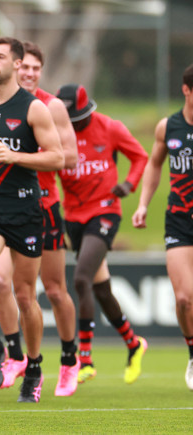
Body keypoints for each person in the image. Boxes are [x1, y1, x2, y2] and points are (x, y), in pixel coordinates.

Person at [0, 37, 64, 403]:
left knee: (25, 296)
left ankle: (34, 367)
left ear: (17, 65)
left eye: (0, 57)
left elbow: (58, 158)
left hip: (25, 210)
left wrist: (17, 157)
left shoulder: (34, 108)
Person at [0, 41, 80, 397]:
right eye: (25, 68)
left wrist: (19, 154)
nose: (29, 74)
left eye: (35, 70)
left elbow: (68, 156)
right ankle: (15, 355)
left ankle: (70, 362)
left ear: (39, 72)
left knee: (54, 290)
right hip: (4, 206)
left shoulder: (48, 106)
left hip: (43, 205)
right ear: (16, 66)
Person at [56, 83, 148, 385]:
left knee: (81, 278)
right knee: (101, 290)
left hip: (105, 212)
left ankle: (85, 359)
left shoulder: (110, 127)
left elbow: (140, 157)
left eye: (76, 119)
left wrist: (130, 184)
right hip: (73, 217)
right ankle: (134, 344)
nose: (72, 126)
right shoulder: (55, 133)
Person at [132, 64, 193, 390]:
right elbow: (154, 165)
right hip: (179, 220)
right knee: (184, 299)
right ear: (186, 90)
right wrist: (143, 204)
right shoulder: (168, 127)